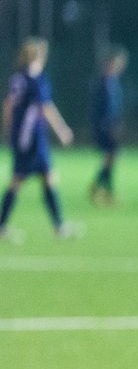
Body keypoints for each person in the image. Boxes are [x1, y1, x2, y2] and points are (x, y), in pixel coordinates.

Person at [0, 37, 77, 243]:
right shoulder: (36, 77)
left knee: (46, 176)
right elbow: (45, 107)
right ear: (37, 56)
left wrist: (10, 130)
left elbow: (8, 105)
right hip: (32, 138)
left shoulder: (17, 77)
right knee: (20, 180)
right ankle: (56, 226)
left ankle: (59, 225)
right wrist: (62, 130)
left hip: (22, 137)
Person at [89, 45, 129, 206]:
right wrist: (107, 126)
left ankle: (102, 188)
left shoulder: (113, 81)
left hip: (111, 125)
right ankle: (102, 188)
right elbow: (98, 107)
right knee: (111, 157)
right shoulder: (103, 82)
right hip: (106, 127)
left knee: (111, 158)